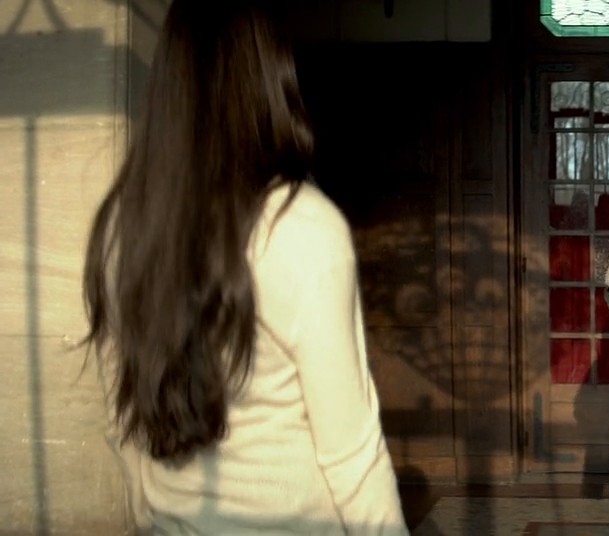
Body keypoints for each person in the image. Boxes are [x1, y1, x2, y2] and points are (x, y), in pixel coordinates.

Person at [81, 2, 407, 533]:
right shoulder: (300, 227)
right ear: (271, 79)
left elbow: (125, 422)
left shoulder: (122, 224)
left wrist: (150, 518)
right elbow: (353, 457)